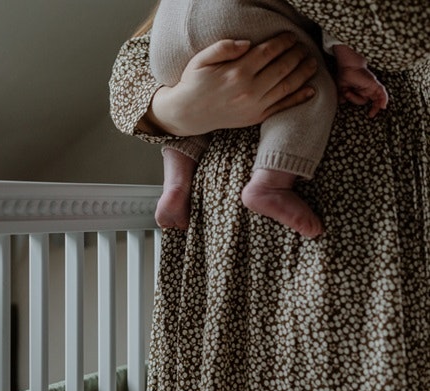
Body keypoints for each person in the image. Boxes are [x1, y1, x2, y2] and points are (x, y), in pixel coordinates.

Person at [109, 0, 429, 391]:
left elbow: (404, 34)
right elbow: (129, 78)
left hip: (363, 218)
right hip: (233, 238)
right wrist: (175, 109)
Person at [149, 0, 388, 236]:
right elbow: (341, 9)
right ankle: (270, 184)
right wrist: (352, 66)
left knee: (199, 111)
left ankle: (175, 185)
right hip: (227, 18)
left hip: (163, 41)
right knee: (307, 81)